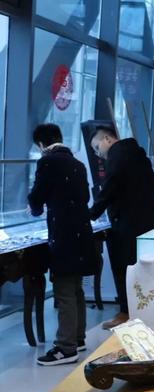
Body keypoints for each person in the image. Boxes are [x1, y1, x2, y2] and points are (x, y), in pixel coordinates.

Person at [28, 124, 97, 365]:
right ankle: (78, 338)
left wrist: (35, 208)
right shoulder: (78, 164)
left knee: (64, 290)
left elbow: (37, 196)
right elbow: (85, 197)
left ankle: (66, 348)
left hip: (64, 235)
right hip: (81, 234)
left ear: (41, 144)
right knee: (76, 288)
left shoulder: (47, 162)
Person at [88, 125, 154, 329]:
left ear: (107, 139)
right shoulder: (138, 153)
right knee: (141, 268)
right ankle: (142, 310)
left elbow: (110, 188)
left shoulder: (116, 156)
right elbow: (153, 184)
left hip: (125, 224)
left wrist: (91, 214)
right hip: (146, 221)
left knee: (123, 269)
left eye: (97, 147)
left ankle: (126, 313)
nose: (97, 153)